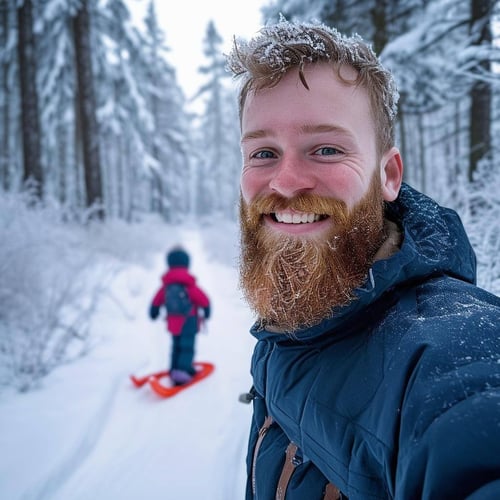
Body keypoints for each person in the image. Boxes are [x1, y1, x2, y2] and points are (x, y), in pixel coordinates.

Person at [226, 19, 500, 499]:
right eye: (263, 152)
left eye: (327, 149)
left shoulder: (445, 350)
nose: (285, 182)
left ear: (389, 175)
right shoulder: (291, 317)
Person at [149, 246, 210, 385]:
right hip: (189, 322)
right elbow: (203, 300)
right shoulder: (189, 285)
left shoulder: (166, 286)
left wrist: (154, 311)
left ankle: (174, 369)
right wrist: (207, 311)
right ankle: (183, 372)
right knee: (187, 347)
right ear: (187, 264)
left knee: (176, 347)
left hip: (173, 324)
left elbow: (156, 301)